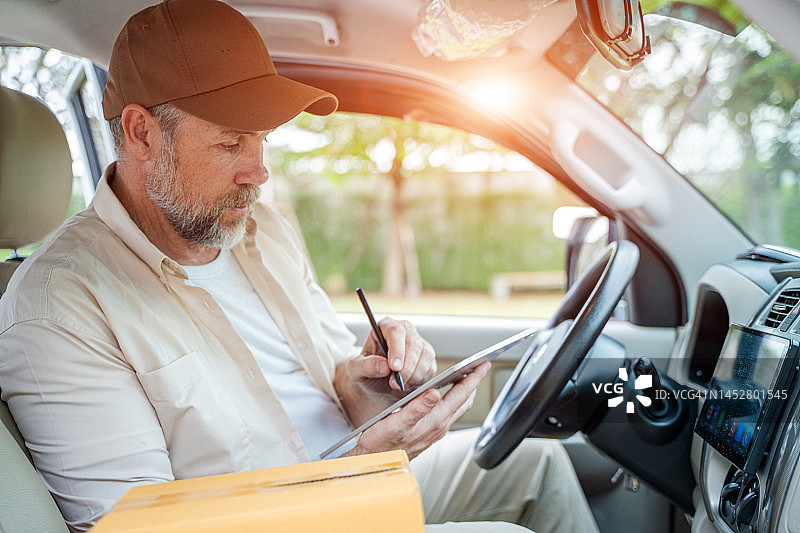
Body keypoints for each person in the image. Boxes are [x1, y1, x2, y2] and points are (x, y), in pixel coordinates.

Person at [0, 1, 599, 532]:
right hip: (295, 516)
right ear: (142, 133)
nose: (257, 171)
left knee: (536, 461)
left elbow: (332, 388)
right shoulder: (58, 308)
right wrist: (355, 470)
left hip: (353, 482)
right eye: (231, 143)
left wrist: (366, 389)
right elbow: (142, 529)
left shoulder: (260, 229)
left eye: (263, 140)